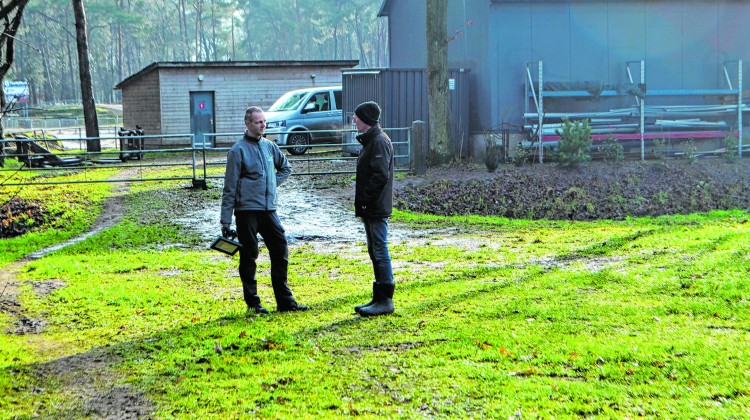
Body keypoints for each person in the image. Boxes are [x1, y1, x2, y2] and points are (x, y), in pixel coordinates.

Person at [220, 106, 309, 314]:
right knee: (249, 256)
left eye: (264, 121)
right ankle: (253, 303)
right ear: (248, 123)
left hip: (269, 210)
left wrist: (270, 185)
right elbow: (229, 187)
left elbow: (286, 167)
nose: (263, 125)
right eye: (258, 122)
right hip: (246, 212)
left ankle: (285, 301)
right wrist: (225, 220)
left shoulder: (269, 147)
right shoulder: (237, 151)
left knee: (280, 250)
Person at [351, 101, 396, 317]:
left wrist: (366, 200)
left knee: (379, 249)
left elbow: (379, 175)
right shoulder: (373, 141)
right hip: (372, 206)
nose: (354, 121)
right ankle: (379, 296)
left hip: (376, 206)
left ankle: (385, 298)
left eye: (357, 117)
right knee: (375, 249)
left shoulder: (378, 142)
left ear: (366, 120)